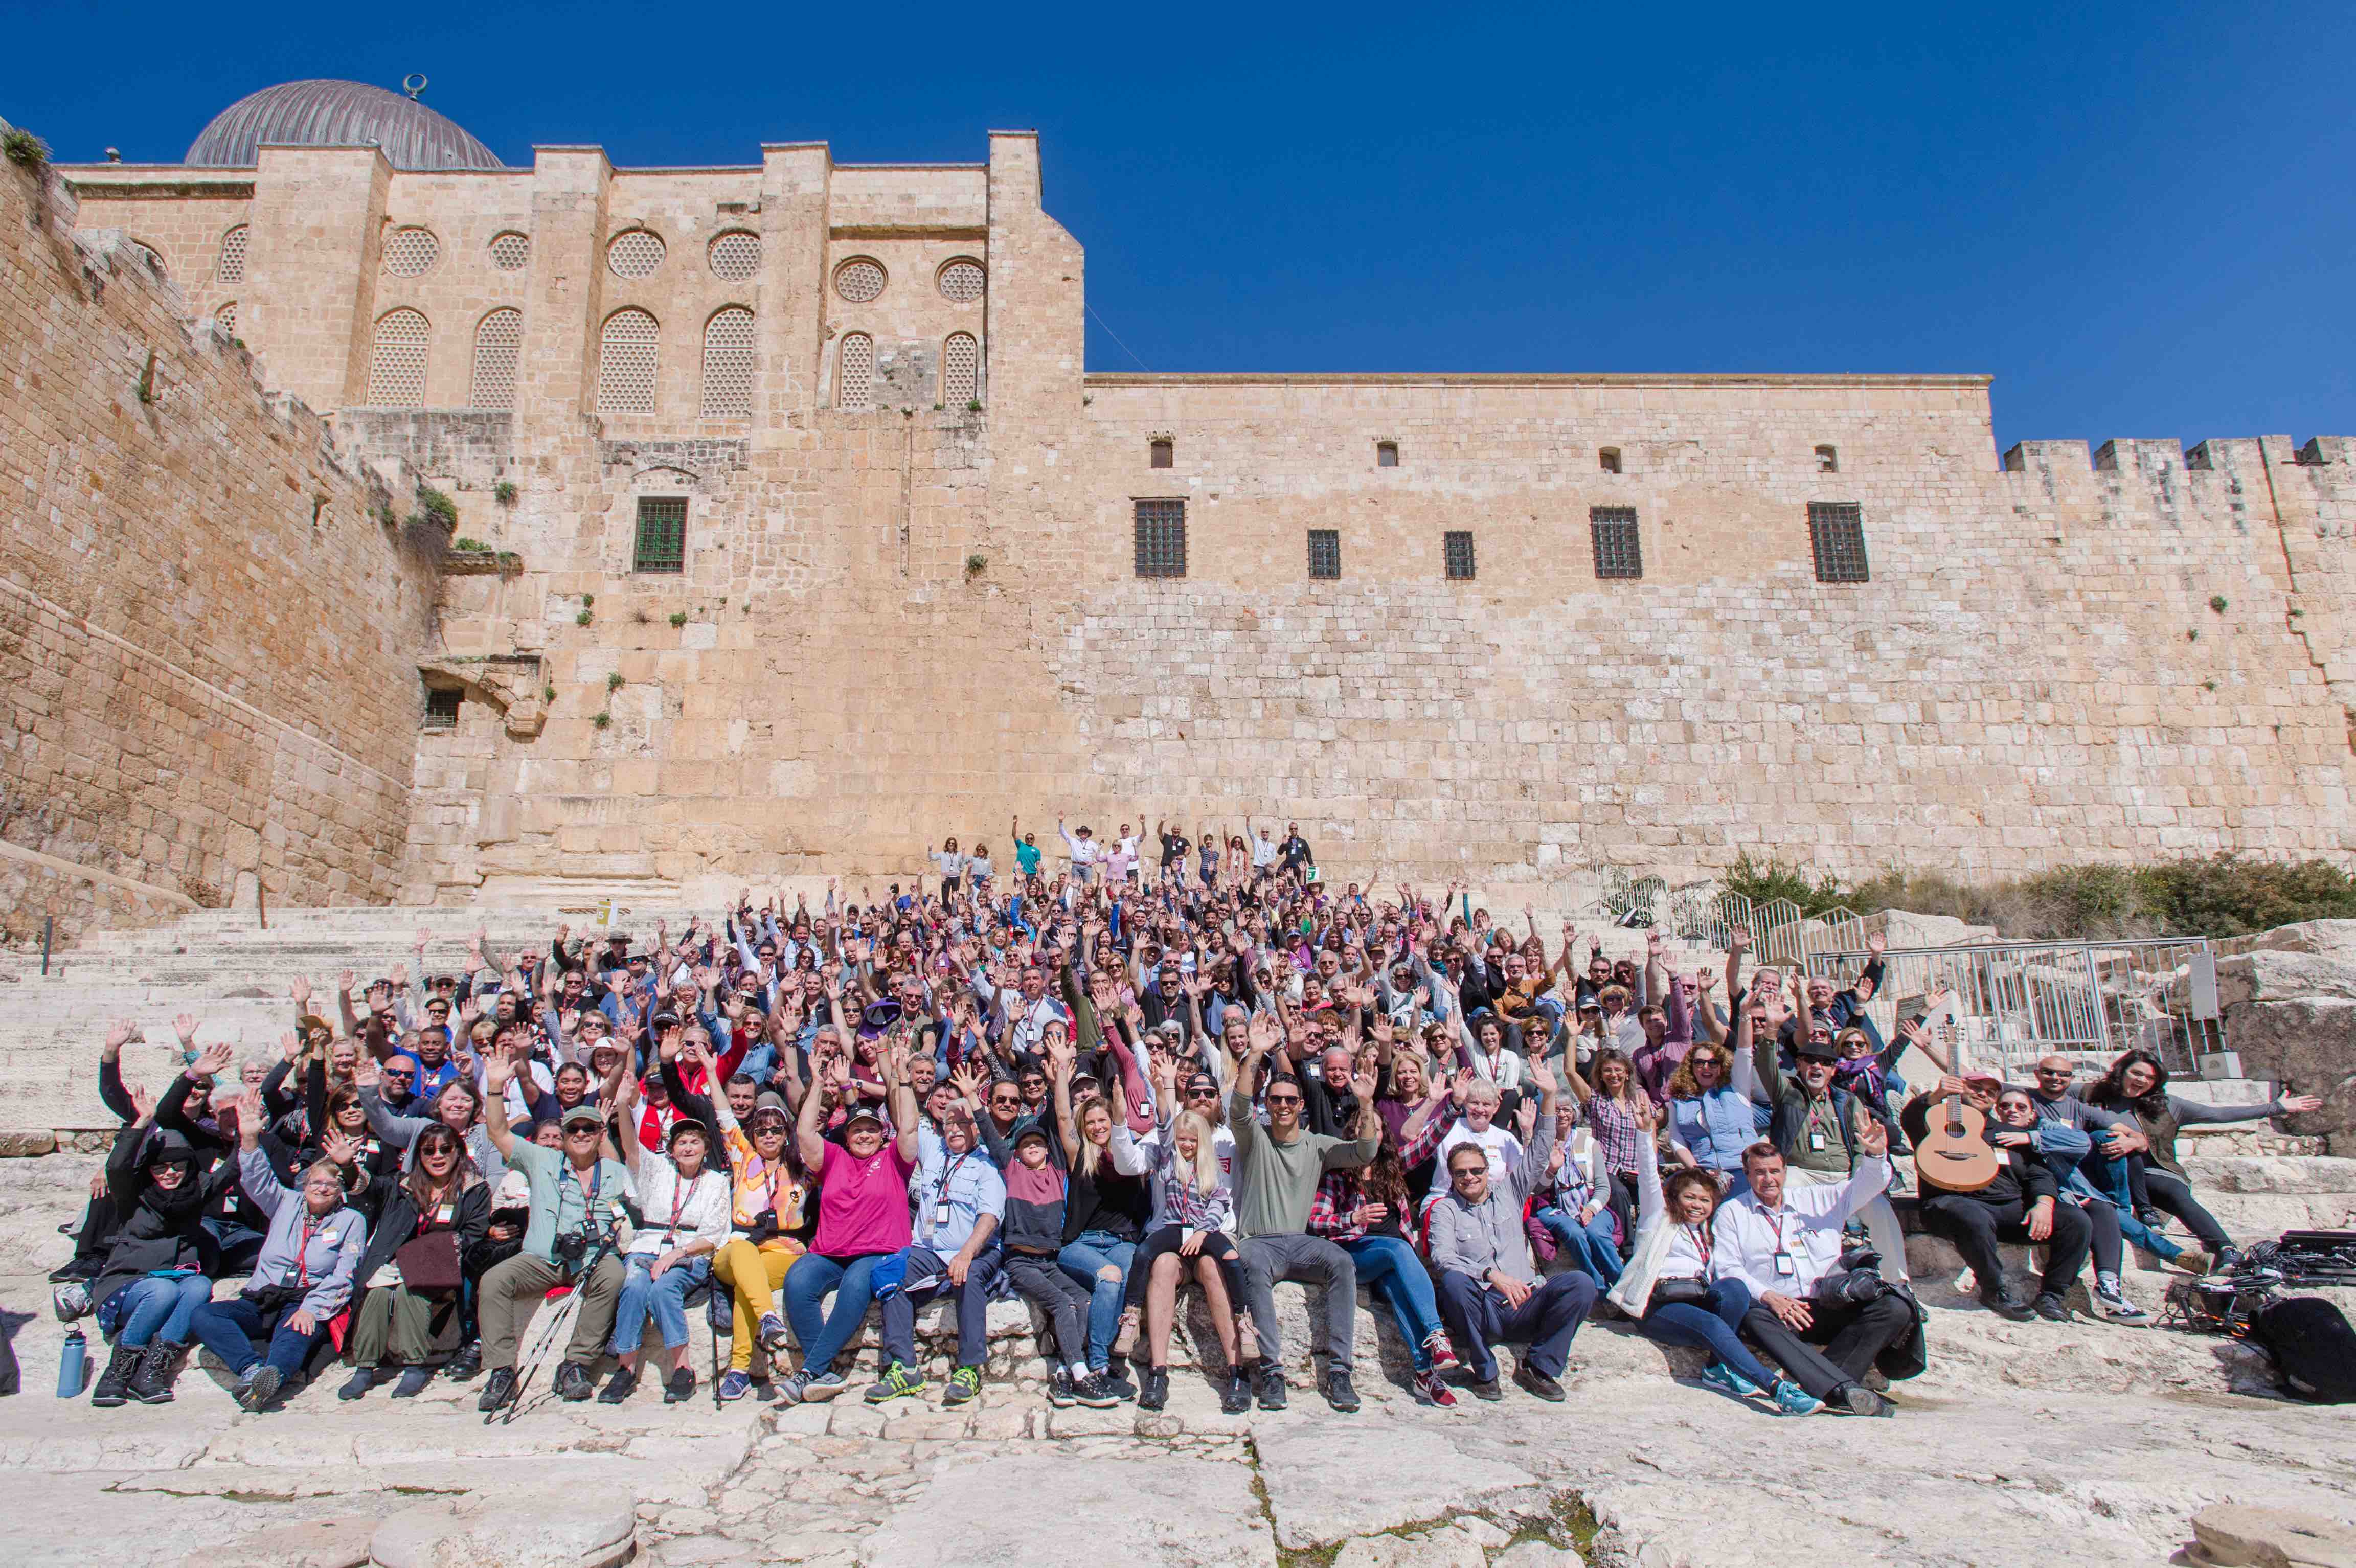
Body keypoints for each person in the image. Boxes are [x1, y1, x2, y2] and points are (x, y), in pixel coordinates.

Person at [1606, 1094, 1822, 1417]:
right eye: (1690, 1197)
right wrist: (1645, 1132)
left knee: (1734, 1286)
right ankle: (1779, 1390)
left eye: (1705, 1200)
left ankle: (1717, 1368)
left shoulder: (1709, 1232)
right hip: (1660, 1306)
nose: (1697, 1205)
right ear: (1674, 1198)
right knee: (1711, 1323)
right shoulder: (1658, 1218)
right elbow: (1649, 1176)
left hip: (1697, 1299)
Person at [1229, 1013, 1382, 1412]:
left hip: (1301, 1243)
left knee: (1342, 1263)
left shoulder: (1318, 1144)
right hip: (1259, 1241)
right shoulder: (1255, 1137)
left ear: (1300, 1105)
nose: (1282, 1105)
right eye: (1275, 1099)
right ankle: (1273, 1371)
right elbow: (1238, 1107)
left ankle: (1340, 1371)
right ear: (1269, 1103)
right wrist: (1255, 1052)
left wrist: (1365, 1104)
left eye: (1289, 1100)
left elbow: (1365, 1151)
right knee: (1256, 1270)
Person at [473, 1055, 637, 1412]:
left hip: (591, 1259)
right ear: (562, 1136)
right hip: (541, 1258)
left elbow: (629, 1170)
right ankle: (501, 1369)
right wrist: (496, 1087)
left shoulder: (610, 1169)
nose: (581, 1135)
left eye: (589, 1130)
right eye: (573, 1130)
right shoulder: (540, 1159)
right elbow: (498, 1132)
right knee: (494, 1279)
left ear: (598, 1135)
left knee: (614, 1274)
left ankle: (575, 1363)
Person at [188, 1088, 367, 1412]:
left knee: (295, 1333)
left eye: (331, 1184)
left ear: (340, 1191)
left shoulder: (350, 1219)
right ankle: (251, 1371)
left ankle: (273, 1376)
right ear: (306, 1183)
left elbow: (345, 1273)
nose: (322, 1188)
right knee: (205, 1314)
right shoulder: (287, 1203)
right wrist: (250, 1140)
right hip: (264, 1295)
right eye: (316, 1182)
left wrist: (313, 1308)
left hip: (304, 1297)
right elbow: (258, 1180)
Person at [1426, 1059, 1594, 1402]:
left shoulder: (1511, 1192)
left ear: (1489, 1171)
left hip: (1526, 1301)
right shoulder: (1445, 1209)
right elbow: (1443, 1258)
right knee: (1455, 1283)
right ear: (1452, 1176)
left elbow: (1541, 1148)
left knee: (1581, 1283)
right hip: (1484, 1308)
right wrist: (1491, 1274)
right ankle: (1485, 1370)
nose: (1469, 1177)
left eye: (1476, 1170)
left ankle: (1539, 1366)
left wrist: (1549, 1096)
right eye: (1461, 1173)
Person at [1716, 1133, 1914, 1415]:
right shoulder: (1732, 1213)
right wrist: (1770, 1297)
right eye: (1759, 1173)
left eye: (1774, 1171)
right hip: (1778, 1310)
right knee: (1752, 1315)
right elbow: (1728, 1267)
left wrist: (1875, 1155)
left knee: (1894, 1306)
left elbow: (1869, 1185)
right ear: (1746, 1175)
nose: (1768, 1179)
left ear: (1786, 1172)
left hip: (1826, 1303)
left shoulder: (1819, 1198)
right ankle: (1842, 1390)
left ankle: (1824, 1388)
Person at [2082, 1049, 2322, 1270]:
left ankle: (2225, 1248)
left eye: (2150, 1078)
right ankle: (2145, 1215)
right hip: (2105, 1170)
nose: (2142, 1080)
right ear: (2121, 1070)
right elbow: (2051, 1098)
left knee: (2176, 1194)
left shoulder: (2167, 1105)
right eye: (2136, 1073)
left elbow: (2218, 1114)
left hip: (2154, 1171)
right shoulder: (2089, 1094)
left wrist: (2275, 1107)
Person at [779, 1040, 920, 1403]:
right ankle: (822, 1370)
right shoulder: (835, 1158)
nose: (864, 1135)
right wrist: (817, 1081)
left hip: (878, 1251)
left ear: (880, 1135)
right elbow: (805, 1133)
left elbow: (908, 1129)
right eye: (857, 1130)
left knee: (857, 1283)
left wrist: (903, 1082)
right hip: (830, 1251)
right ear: (847, 1134)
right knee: (797, 1280)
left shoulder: (893, 1160)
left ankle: (809, 1370)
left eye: (871, 1130)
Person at [86, 1078, 241, 1407]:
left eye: (178, 1166)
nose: (170, 1173)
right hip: (130, 1283)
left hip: (175, 1277)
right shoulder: (135, 1196)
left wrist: (250, 1136)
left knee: (199, 1286)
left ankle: (151, 1372)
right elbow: (117, 1166)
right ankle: (118, 1373)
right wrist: (141, 1123)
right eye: (161, 1167)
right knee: (164, 1291)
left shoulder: (196, 1190)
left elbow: (231, 1171)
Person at [1900, 1072, 2091, 1323]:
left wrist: (2044, 1204)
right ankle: (1993, 1290)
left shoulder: (2009, 1132)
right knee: (1972, 1216)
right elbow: (1910, 1119)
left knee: (2076, 1220)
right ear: (1961, 1089)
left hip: (2008, 1209)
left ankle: (2052, 1295)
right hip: (1952, 1204)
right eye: (1976, 1088)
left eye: (1990, 1092)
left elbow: (2039, 1175)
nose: (1983, 1094)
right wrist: (1937, 1096)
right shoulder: (1935, 1121)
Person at [865, 1096, 1005, 1405]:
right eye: (949, 1123)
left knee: (969, 1278)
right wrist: (901, 1075)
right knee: (891, 1275)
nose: (954, 1129)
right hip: (929, 1249)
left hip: (976, 1249)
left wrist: (966, 1254)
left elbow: (990, 1217)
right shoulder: (934, 1151)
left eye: (963, 1123)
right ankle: (904, 1367)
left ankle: (969, 1368)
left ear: (977, 1128)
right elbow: (907, 1116)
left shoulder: (987, 1163)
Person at [604, 1071, 731, 1403]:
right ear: (671, 1148)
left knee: (663, 1287)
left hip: (689, 1254)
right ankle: (626, 1368)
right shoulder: (658, 1170)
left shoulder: (716, 1181)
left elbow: (714, 1235)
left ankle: (683, 1368)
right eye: (681, 1142)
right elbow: (631, 1148)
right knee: (633, 1284)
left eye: (695, 1141)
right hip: (647, 1246)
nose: (688, 1147)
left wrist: (675, 1255)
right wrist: (622, 1105)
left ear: (706, 1148)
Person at [341, 1121, 489, 1399]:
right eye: (428, 1150)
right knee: (378, 1292)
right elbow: (369, 1188)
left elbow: (474, 1234)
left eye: (446, 1149)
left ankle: (415, 1366)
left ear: (458, 1152)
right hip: (396, 1265)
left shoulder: (474, 1189)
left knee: (410, 1290)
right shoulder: (404, 1185)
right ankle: (364, 1367)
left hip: (444, 1266)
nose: (438, 1156)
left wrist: (420, 1256)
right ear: (419, 1155)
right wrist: (348, 1166)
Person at [1988, 1085, 2151, 1324]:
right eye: (2005, 1106)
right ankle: (2174, 1254)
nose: (2013, 1111)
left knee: (2101, 1209)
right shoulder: (1990, 1132)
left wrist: (2030, 1138)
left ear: (2032, 1114)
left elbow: (2081, 1142)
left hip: (2061, 1196)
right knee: (2088, 1217)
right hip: (2015, 1201)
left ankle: (2108, 1286)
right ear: (1997, 1111)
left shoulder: (2042, 1127)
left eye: (2021, 1107)